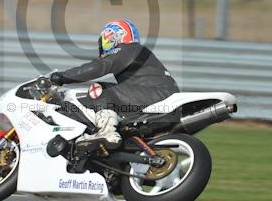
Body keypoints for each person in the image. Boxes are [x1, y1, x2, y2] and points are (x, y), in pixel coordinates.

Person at [50, 18, 179, 147]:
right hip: (157, 97)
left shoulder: (129, 49)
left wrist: (61, 77)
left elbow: (99, 67)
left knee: (100, 89)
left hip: (155, 95)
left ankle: (107, 132)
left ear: (113, 36)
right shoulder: (136, 52)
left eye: (104, 41)